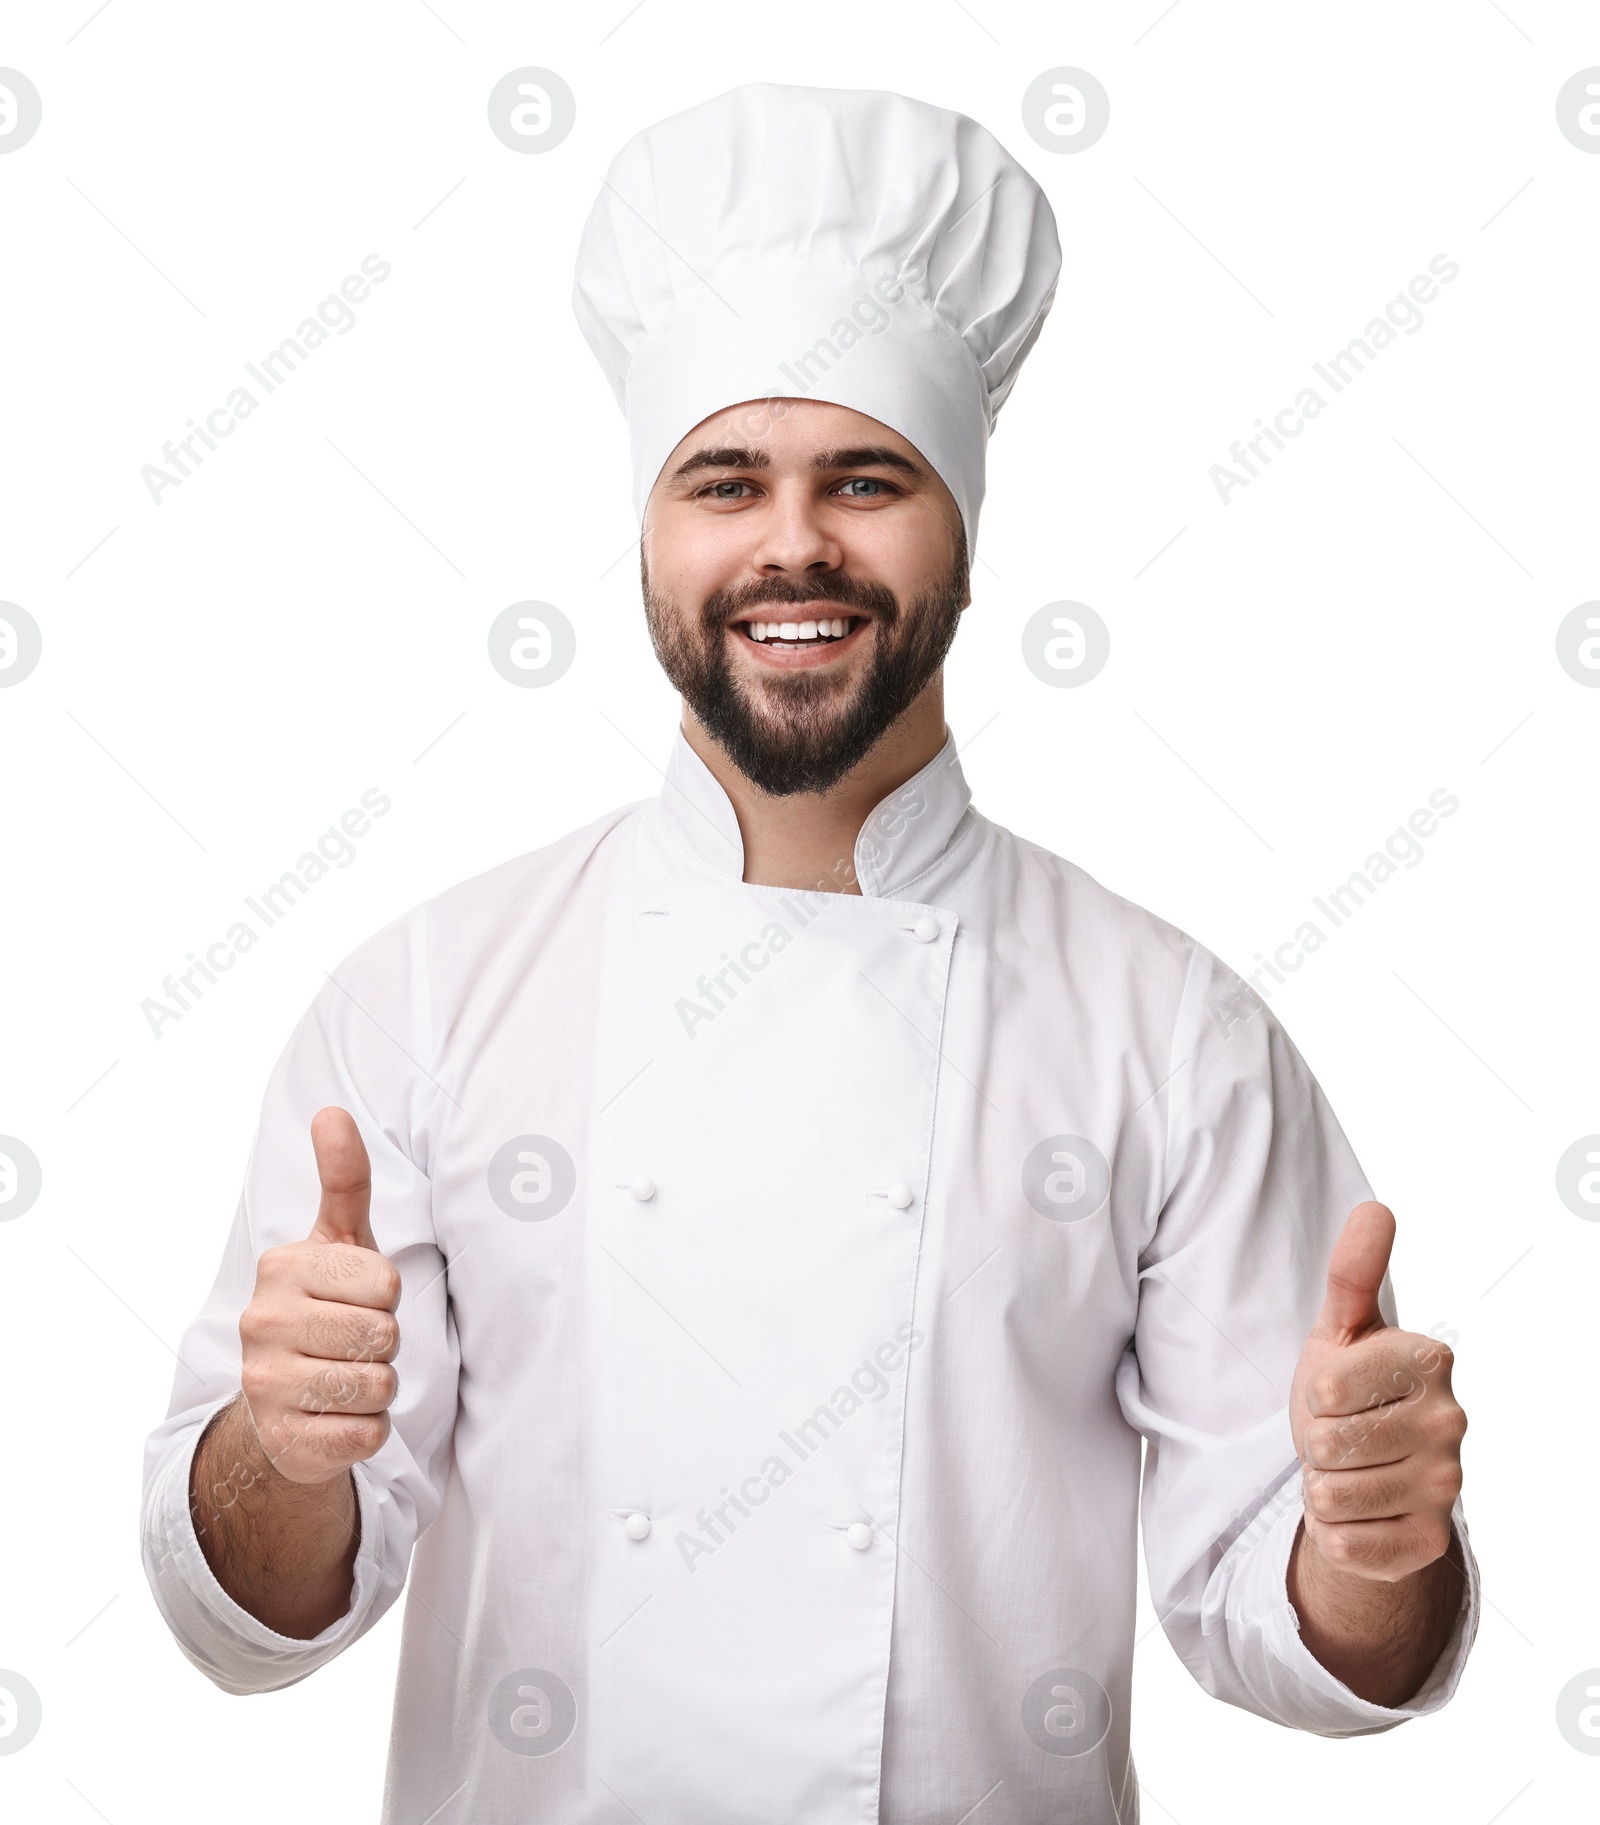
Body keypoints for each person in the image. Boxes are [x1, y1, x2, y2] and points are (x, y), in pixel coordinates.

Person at [142, 84, 1476, 1822]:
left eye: (867, 478)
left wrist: (1377, 1541)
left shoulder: (1175, 1031)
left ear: (966, 538)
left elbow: (1304, 1637)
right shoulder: (422, 1001)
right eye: (726, 481)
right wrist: (287, 1450)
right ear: (647, 536)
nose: (794, 543)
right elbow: (250, 1620)